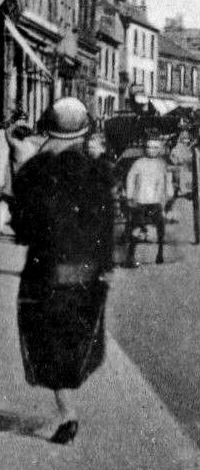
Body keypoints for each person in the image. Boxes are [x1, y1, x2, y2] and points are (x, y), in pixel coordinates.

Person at [11, 96, 114, 444]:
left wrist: (21, 166)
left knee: (44, 339)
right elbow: (106, 224)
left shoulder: (36, 171)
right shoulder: (98, 170)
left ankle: (66, 413)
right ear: (84, 131)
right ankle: (66, 410)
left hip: (48, 271)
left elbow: (23, 230)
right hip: (87, 272)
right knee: (74, 339)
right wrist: (104, 268)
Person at [124, 136, 170, 266]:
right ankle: (130, 256)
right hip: (140, 201)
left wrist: (168, 195)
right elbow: (130, 178)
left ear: (160, 149)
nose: (151, 150)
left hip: (155, 201)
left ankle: (160, 253)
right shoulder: (138, 163)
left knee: (160, 225)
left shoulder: (162, 164)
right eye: (148, 147)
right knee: (136, 227)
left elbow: (167, 180)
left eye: (155, 147)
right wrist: (129, 196)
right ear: (145, 148)